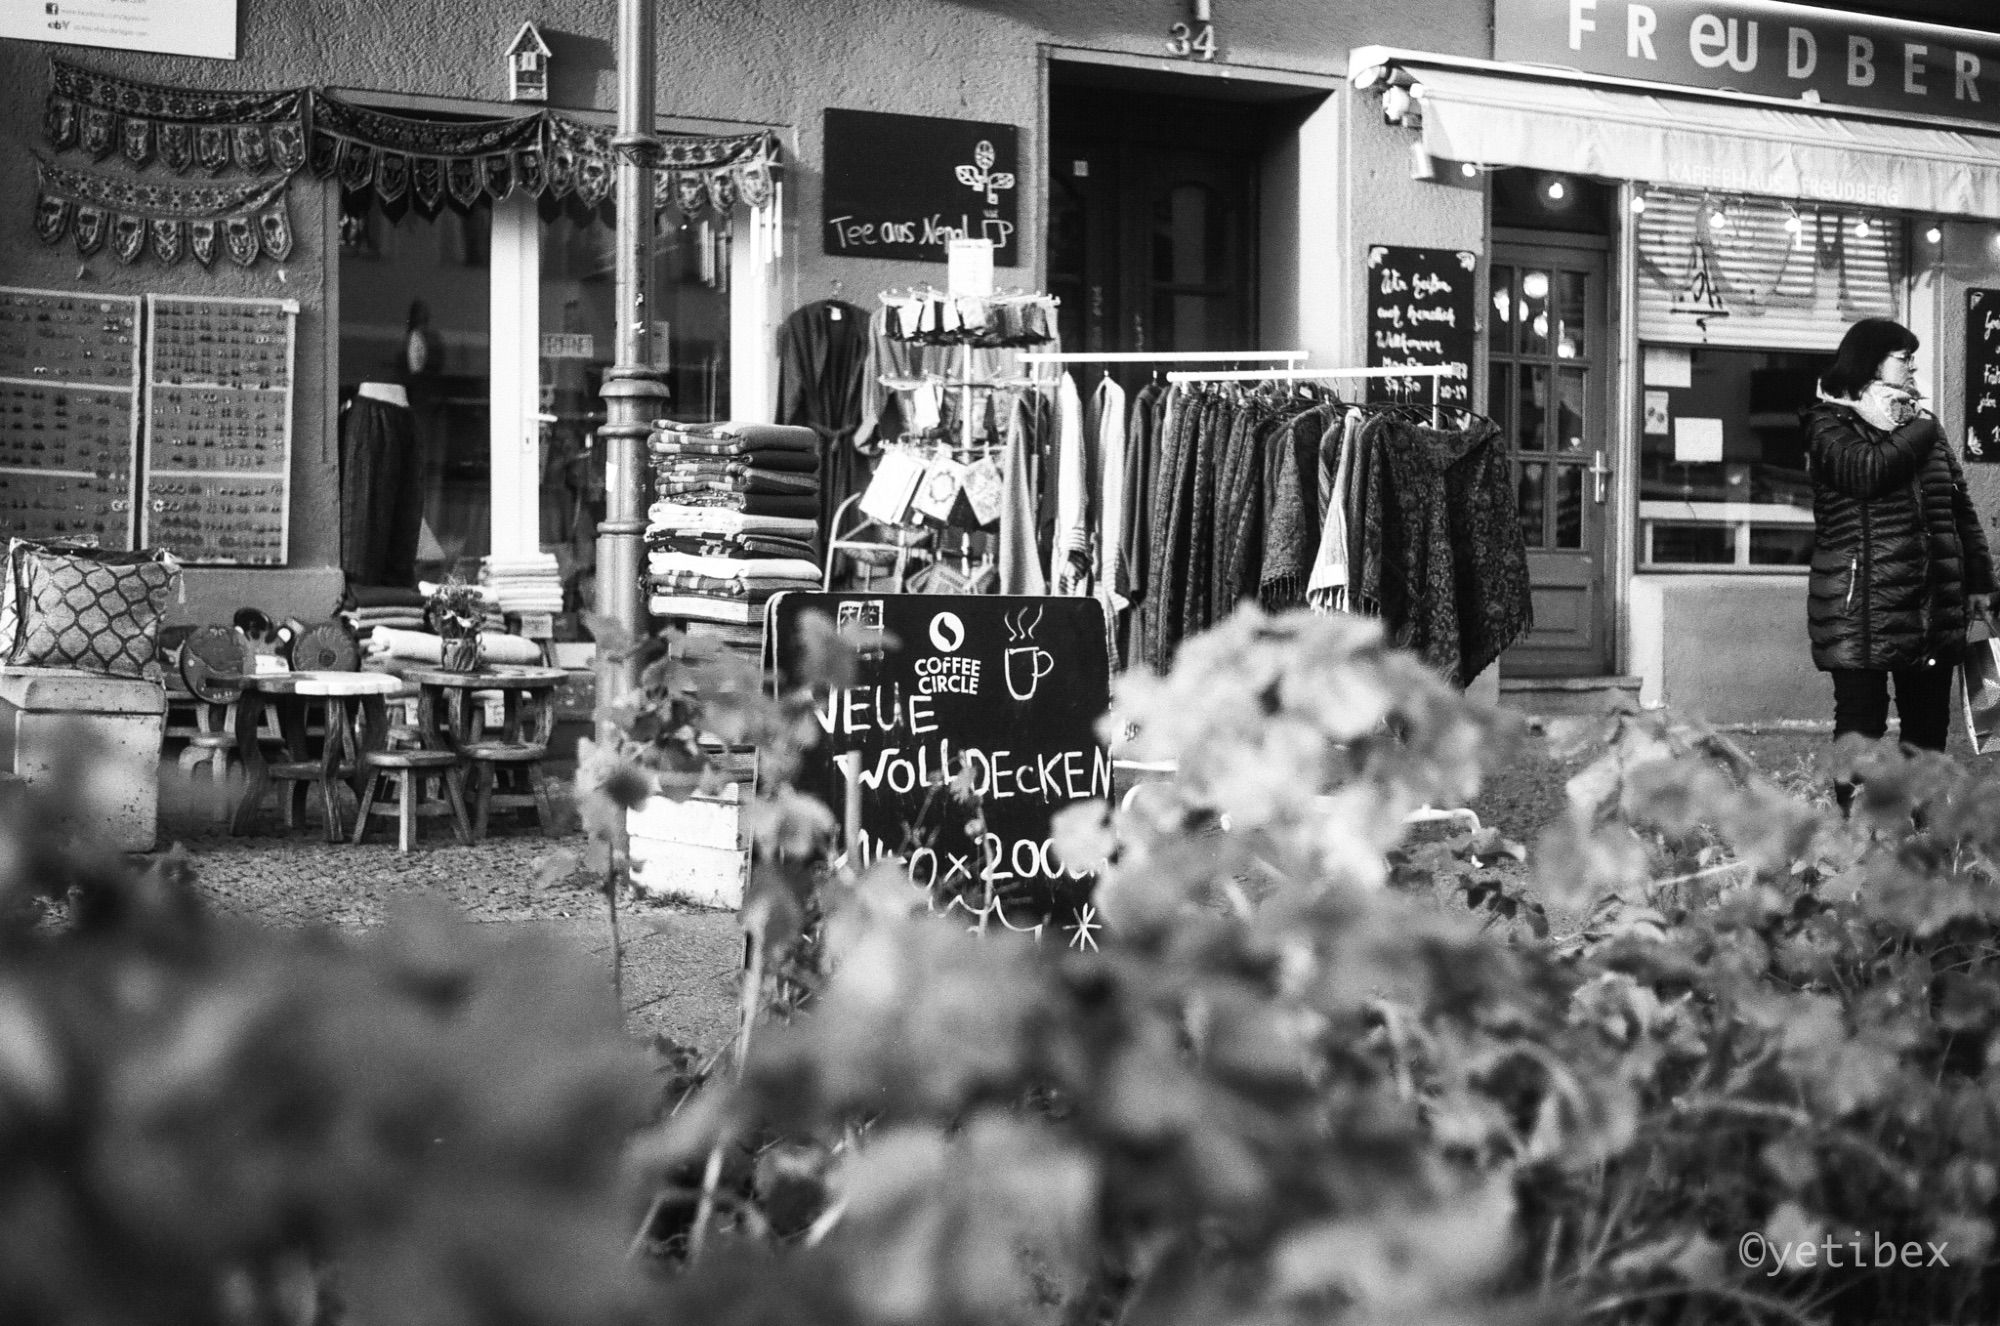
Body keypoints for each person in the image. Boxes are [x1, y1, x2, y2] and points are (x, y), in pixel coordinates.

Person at [1802, 317, 1997, 810]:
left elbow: (1960, 509)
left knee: (1927, 731)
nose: (1911, 365)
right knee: (1860, 728)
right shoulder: (1830, 422)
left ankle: (1923, 840)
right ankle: (1857, 838)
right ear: (1869, 361)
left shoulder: (1921, 424)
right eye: (1901, 356)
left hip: (1929, 604)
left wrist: (1980, 582)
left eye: (1912, 357)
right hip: (1860, 606)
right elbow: (1866, 471)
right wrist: (1923, 427)